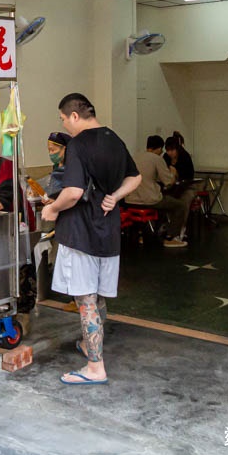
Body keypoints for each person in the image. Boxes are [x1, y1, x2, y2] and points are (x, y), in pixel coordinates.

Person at [41, 93, 141, 386]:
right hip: (108, 232)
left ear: (74, 115)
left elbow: (72, 192)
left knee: (85, 300)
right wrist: (114, 197)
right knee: (96, 295)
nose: (64, 125)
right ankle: (90, 344)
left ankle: (95, 366)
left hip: (81, 233)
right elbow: (134, 178)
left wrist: (52, 208)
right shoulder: (113, 138)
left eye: (62, 119)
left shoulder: (78, 145)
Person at [127, 135, 192, 249]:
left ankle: (142, 235)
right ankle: (171, 238)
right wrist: (173, 172)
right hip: (149, 199)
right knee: (179, 206)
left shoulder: (134, 157)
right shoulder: (157, 159)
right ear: (159, 148)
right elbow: (168, 181)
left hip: (130, 199)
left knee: (164, 205)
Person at [45, 131, 71, 200]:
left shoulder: (73, 167)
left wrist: (56, 202)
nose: (50, 154)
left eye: (53, 150)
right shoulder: (56, 166)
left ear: (64, 148)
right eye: (49, 150)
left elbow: (72, 194)